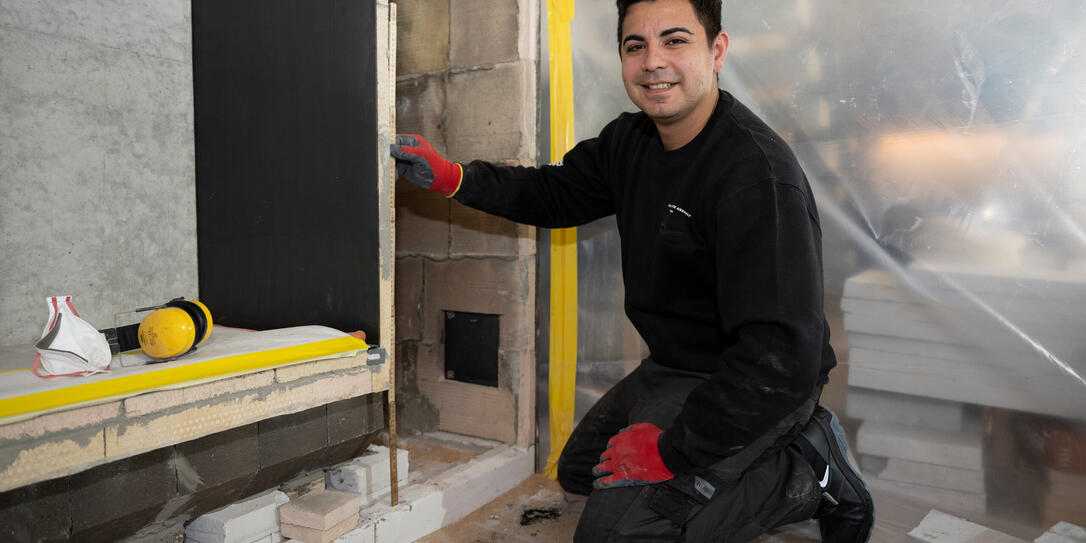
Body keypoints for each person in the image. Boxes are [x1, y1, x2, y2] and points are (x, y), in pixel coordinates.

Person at [391, 0, 874, 540]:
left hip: (759, 381)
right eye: (634, 45)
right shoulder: (632, 140)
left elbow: (781, 358)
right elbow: (554, 193)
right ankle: (720, 465)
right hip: (676, 367)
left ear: (716, 51)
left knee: (614, 534)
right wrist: (453, 176)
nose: (652, 62)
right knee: (579, 474)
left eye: (675, 41)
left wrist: (673, 449)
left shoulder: (756, 177)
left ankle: (807, 472)